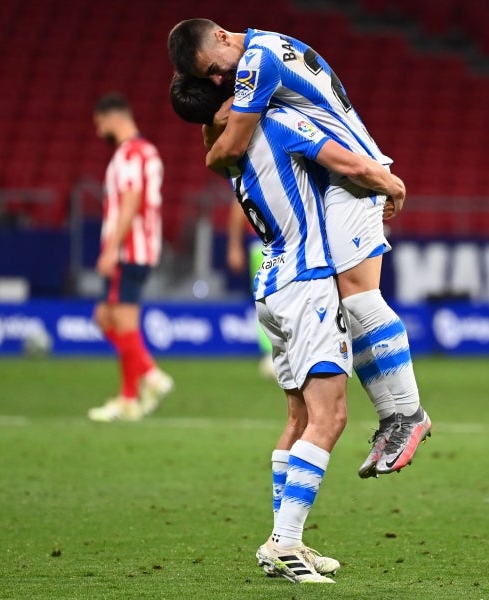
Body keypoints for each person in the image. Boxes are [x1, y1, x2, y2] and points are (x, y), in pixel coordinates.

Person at [170, 73, 406, 583]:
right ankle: (285, 542)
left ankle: (286, 537)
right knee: (331, 417)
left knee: (299, 419)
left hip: (273, 285)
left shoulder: (228, 150)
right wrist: (388, 182)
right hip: (308, 283)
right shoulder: (274, 123)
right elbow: (344, 159)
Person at [168, 20, 430, 477]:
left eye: (213, 68)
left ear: (224, 38)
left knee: (360, 298)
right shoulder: (264, 49)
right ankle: (395, 419)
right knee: (349, 306)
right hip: (342, 178)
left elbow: (229, 148)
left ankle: (406, 413)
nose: (216, 80)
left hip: (353, 172)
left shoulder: (256, 62)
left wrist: (211, 146)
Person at [87, 93, 174, 422]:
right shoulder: (148, 152)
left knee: (118, 320)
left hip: (128, 250)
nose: (99, 132)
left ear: (112, 116)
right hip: (143, 249)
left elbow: (131, 199)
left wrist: (111, 249)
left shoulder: (129, 153)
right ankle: (129, 397)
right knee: (107, 317)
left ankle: (150, 377)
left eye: (100, 124)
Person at [226, 205, 276, 379]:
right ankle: (272, 353)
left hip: (292, 242)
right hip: (261, 243)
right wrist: (234, 246)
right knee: (266, 299)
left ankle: (287, 352)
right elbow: (239, 205)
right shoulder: (250, 176)